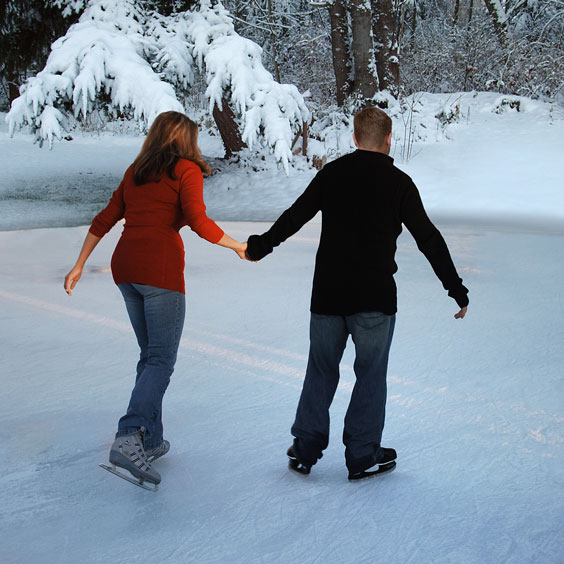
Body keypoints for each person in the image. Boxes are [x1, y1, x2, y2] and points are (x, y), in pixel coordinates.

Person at [245, 106, 468, 481]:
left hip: (329, 296)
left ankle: (304, 449)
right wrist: (455, 288)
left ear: (353, 137)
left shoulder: (332, 174)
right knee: (370, 374)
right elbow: (428, 237)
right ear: (388, 139)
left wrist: (261, 246)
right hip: (375, 300)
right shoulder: (399, 183)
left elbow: (295, 214)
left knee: (320, 370)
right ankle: (363, 454)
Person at [64, 111, 247, 488]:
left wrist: (79, 264)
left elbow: (104, 219)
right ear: (186, 140)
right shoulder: (186, 170)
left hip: (125, 267)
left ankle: (151, 438)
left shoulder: (136, 171)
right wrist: (237, 246)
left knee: (150, 357)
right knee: (161, 359)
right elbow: (197, 220)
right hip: (159, 270)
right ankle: (131, 434)